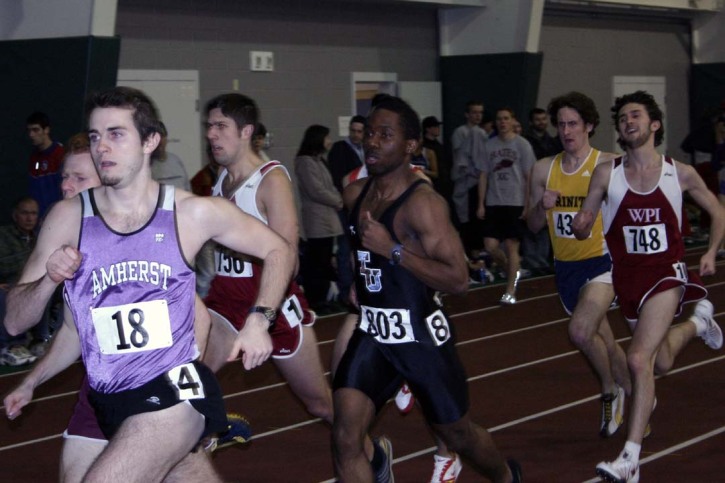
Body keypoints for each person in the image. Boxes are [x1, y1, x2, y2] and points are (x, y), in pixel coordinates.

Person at [3, 86, 296, 482]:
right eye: (94, 136)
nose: (101, 147)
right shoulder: (67, 219)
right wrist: (48, 281)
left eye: (116, 134)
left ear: (150, 141)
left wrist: (259, 320)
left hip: (174, 392)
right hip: (105, 396)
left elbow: (279, 250)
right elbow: (16, 322)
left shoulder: (190, 213)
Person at [332, 95, 521, 483]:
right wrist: (357, 282)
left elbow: (458, 280)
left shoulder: (424, 205)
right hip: (374, 332)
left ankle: (504, 476)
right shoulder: (354, 196)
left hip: (421, 337)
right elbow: (357, 250)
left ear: (411, 145)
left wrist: (393, 250)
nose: (372, 142)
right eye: (369, 133)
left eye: (386, 134)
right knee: (345, 438)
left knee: (458, 434)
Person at [572, 90, 724, 483]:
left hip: (666, 273)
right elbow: (586, 214)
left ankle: (630, 458)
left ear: (654, 124)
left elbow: (717, 210)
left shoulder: (681, 172)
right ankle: (698, 324)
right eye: (622, 117)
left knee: (638, 360)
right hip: (627, 278)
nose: (628, 122)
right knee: (659, 361)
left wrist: (711, 251)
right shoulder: (607, 172)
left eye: (635, 115)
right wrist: (582, 222)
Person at [201, 93, 333, 426]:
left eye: (220, 126)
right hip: (224, 299)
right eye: (208, 127)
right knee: (193, 377)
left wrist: (236, 244)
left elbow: (289, 257)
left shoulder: (270, 180)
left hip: (269, 304)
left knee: (320, 405)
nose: (211, 135)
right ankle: (207, 430)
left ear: (246, 131)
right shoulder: (219, 180)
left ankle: (371, 454)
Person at [527, 92, 631, 439]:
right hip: (566, 268)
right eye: (561, 124)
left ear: (589, 126)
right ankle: (640, 395)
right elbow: (532, 226)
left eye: (573, 123)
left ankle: (609, 391)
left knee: (581, 330)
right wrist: (542, 206)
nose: (566, 130)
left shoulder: (610, 164)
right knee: (606, 340)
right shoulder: (545, 168)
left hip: (601, 263)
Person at [476, 107, 536, 304]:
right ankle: (511, 269)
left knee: (512, 246)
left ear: (512, 121)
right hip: (494, 201)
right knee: (490, 246)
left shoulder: (522, 145)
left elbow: (529, 177)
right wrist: (481, 203)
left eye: (506, 119)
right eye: (499, 119)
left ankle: (510, 290)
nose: (502, 122)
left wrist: (528, 205)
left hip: (515, 201)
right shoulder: (489, 145)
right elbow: (483, 175)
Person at [294, 124, 344, 313]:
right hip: (317, 220)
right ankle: (316, 301)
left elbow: (328, 187)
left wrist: (337, 198)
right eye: (326, 137)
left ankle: (324, 299)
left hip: (327, 218)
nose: (329, 141)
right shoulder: (305, 162)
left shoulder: (318, 160)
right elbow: (316, 190)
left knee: (325, 261)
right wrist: (338, 201)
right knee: (318, 262)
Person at [0, 197, 42, 365]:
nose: (29, 218)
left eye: (33, 214)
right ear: (15, 215)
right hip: (7, 285)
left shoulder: (40, 237)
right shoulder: (3, 236)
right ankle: (10, 347)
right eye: (25, 213)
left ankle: (39, 341)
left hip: (33, 284)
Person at [451, 101, 487, 254]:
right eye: (474, 112)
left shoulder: (482, 133)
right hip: (465, 180)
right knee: (465, 222)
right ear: (467, 114)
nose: (478, 115)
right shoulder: (461, 132)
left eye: (480, 112)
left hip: (479, 182)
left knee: (477, 223)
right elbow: (460, 158)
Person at [27, 111, 65, 217]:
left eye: (35, 130)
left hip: (56, 216)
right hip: (38, 219)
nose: (31, 135)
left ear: (47, 130)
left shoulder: (61, 154)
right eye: (29, 130)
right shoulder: (34, 157)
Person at [150, 121, 191, 190]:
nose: (160, 141)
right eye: (155, 138)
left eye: (162, 136)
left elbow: (187, 188)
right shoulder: (147, 166)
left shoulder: (176, 161)